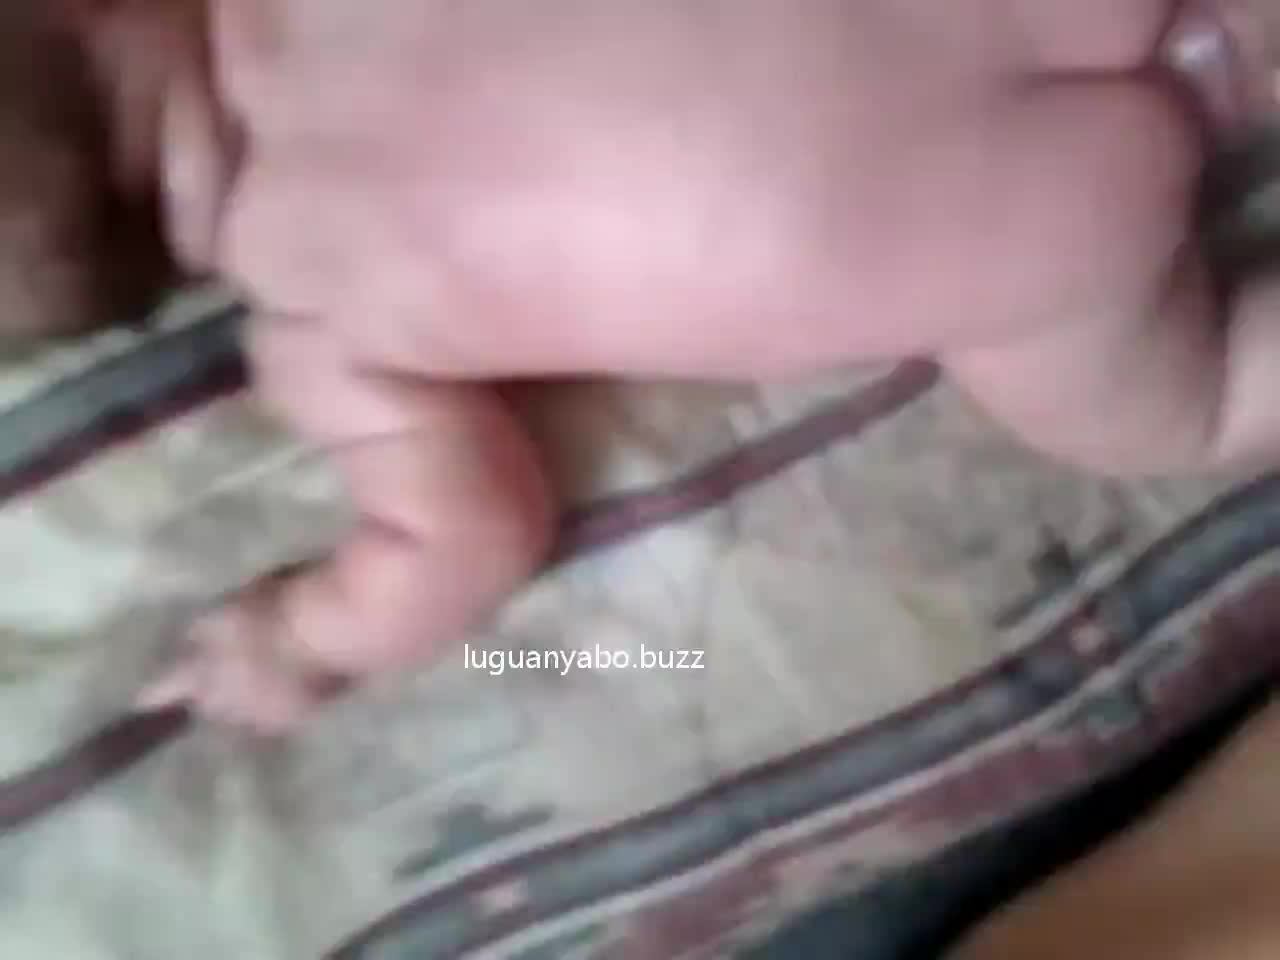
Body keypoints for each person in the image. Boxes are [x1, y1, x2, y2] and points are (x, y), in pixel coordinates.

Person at [33, 0, 1280, 729]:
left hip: (1030, 241)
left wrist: (303, 639)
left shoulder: (322, 328)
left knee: (1189, 408)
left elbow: (465, 539)